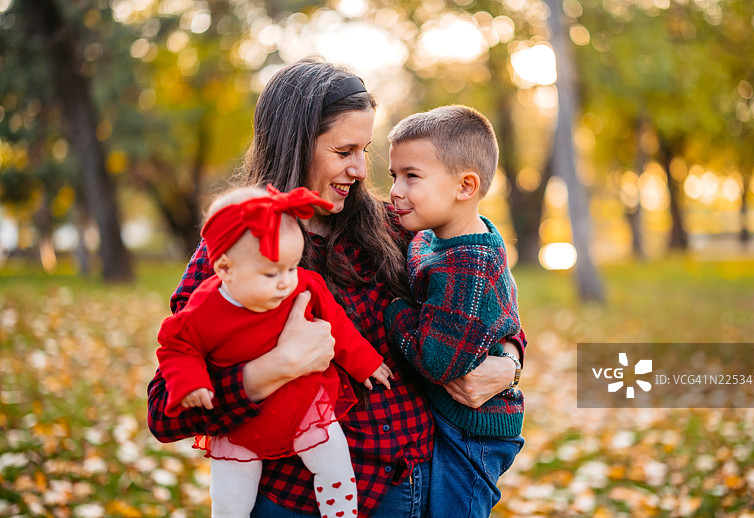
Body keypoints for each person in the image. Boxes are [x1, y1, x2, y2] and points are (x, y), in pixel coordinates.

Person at [147, 57, 524, 518]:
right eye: (344, 152)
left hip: (419, 484)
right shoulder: (234, 254)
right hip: (303, 501)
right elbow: (166, 411)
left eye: (365, 151)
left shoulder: (396, 227)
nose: (363, 169)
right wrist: (274, 368)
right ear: (295, 145)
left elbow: (484, 299)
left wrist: (508, 359)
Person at [156, 185, 393, 518]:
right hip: (242, 425)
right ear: (225, 269)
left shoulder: (305, 285)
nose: (287, 282)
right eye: (272, 273)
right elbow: (177, 346)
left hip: (302, 403)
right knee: (230, 498)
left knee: (334, 462)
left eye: (292, 266)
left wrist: (365, 362)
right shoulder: (203, 310)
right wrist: (191, 383)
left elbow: (336, 324)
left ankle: (341, 513)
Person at [384, 105, 525, 518]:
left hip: (473, 432)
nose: (395, 190)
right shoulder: (438, 233)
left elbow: (437, 361)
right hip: (453, 418)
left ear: (465, 186)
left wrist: (395, 312)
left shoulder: (467, 263)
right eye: (394, 176)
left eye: (412, 176)